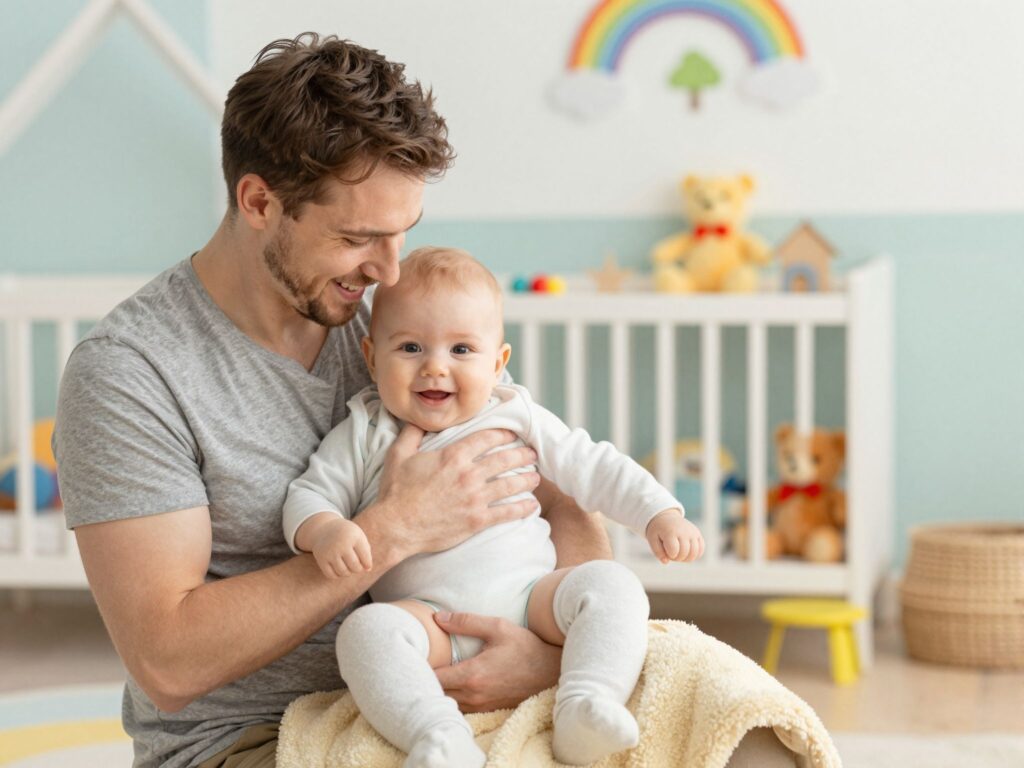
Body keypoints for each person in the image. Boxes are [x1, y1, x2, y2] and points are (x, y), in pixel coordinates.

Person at [53, 34, 613, 768]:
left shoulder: (405, 332)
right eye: (358, 238)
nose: (387, 270)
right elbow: (169, 660)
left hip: (475, 687)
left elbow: (564, 504)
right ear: (259, 201)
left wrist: (546, 658)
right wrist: (394, 530)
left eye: (402, 235)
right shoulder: (131, 374)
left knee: (746, 730)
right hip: (258, 737)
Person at [283, 246, 705, 766]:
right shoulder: (366, 431)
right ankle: (435, 735)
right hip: (431, 621)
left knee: (613, 584)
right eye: (411, 348)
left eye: (461, 350)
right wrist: (324, 530)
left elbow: (592, 464)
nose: (435, 368)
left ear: (498, 362)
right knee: (365, 634)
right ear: (372, 358)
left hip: (533, 600)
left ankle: (586, 704)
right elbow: (308, 494)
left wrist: (658, 512)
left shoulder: (512, 412)